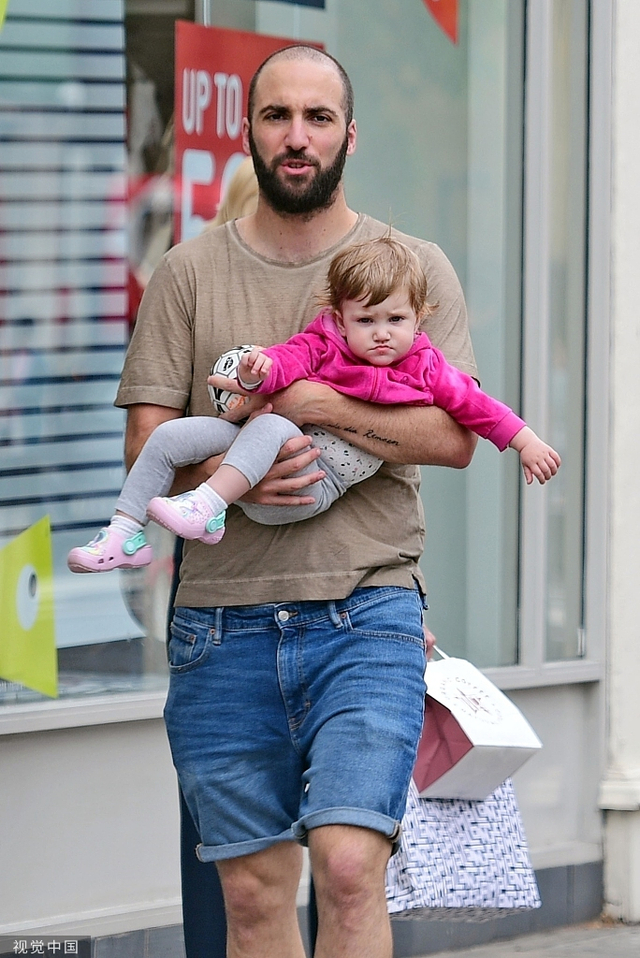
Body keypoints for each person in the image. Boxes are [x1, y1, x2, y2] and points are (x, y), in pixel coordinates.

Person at [114, 44, 480, 958]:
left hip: (368, 614)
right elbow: (144, 443)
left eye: (318, 117)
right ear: (248, 131)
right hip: (220, 623)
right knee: (252, 897)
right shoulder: (187, 273)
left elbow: (453, 436)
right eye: (277, 116)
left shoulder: (412, 267)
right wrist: (231, 478)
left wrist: (316, 405)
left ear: (350, 135)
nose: (297, 136)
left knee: (352, 868)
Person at [67, 237, 558, 574]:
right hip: (261, 449)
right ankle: (124, 533)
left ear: (418, 318)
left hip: (315, 481)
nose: (382, 333)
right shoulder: (326, 343)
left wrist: (525, 441)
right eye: (366, 320)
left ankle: (209, 507)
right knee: (170, 436)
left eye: (396, 320)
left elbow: (477, 407)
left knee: (274, 424)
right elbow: (287, 360)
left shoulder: (426, 368)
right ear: (340, 321)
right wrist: (255, 372)